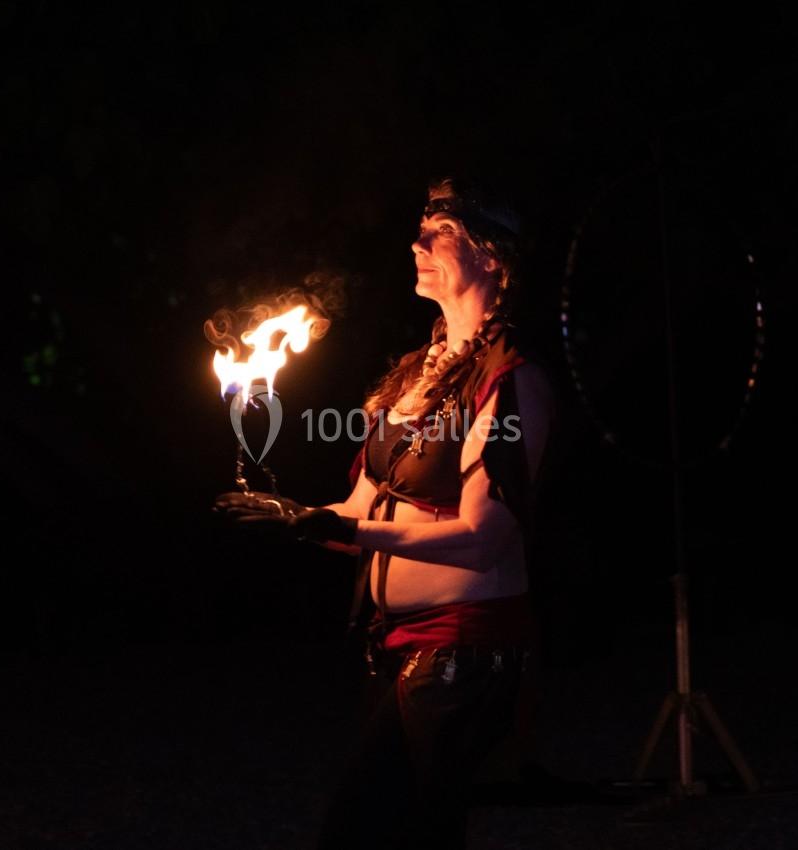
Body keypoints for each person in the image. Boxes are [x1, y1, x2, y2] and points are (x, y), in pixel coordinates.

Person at [215, 176, 554, 849]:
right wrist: (295, 517)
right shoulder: (416, 373)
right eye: (420, 225)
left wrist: (335, 525)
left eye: (442, 230)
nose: (417, 241)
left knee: (368, 830)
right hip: (396, 647)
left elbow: (485, 539)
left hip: (465, 651)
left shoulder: (511, 380)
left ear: (491, 254)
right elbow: (363, 511)